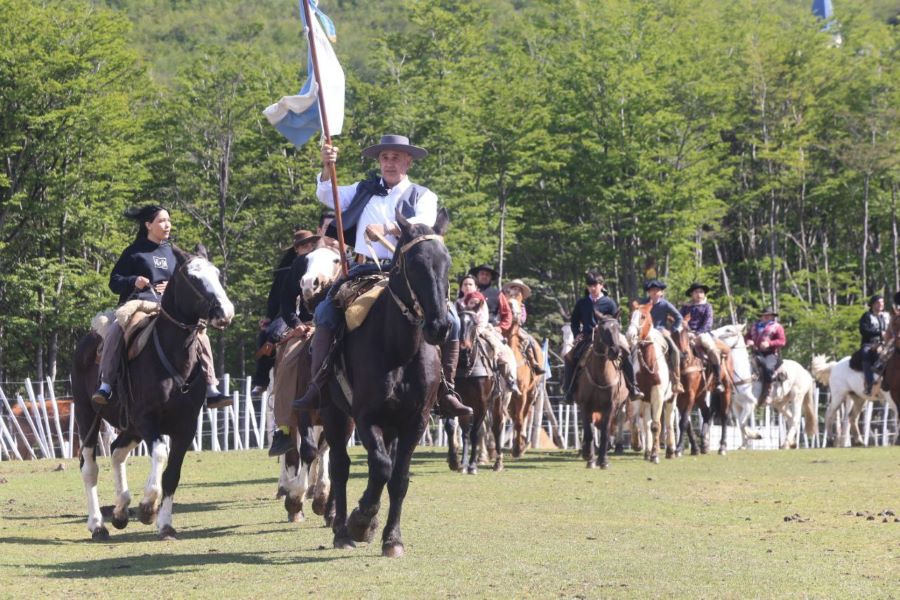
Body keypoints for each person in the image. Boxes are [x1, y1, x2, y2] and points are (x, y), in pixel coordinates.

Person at [291, 134, 471, 417]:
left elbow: (422, 224)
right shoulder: (364, 189)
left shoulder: (423, 195)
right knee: (325, 312)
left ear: (408, 162)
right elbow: (328, 195)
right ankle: (319, 384)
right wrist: (327, 166)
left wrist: (387, 228)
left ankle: (446, 390)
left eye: (396, 157)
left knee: (453, 321)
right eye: (385, 157)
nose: (389, 163)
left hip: (408, 273)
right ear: (379, 161)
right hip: (365, 270)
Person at [91, 205, 229, 408]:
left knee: (201, 334)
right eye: (162, 221)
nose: (167, 225)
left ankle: (211, 387)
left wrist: (172, 286)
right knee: (116, 329)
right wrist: (133, 280)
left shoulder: (175, 253)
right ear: (148, 225)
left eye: (169, 221)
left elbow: (188, 283)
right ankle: (106, 384)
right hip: (140, 304)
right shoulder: (133, 252)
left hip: (171, 308)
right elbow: (114, 281)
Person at [251, 228, 321, 395]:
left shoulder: (321, 265)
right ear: (296, 249)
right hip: (290, 312)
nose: (308, 247)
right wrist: (268, 317)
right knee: (271, 334)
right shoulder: (287, 271)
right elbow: (276, 297)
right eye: (304, 245)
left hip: (317, 313)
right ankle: (261, 380)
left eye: (311, 244)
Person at [563, 271, 643, 402]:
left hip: (609, 337)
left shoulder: (609, 302)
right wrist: (577, 334)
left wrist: (611, 332)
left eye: (595, 285)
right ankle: (569, 390)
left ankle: (633, 387)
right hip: (587, 337)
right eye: (590, 286)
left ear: (601, 285)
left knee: (626, 352)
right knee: (569, 356)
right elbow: (574, 321)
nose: (592, 288)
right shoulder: (582, 303)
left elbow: (617, 321)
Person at [457, 289, 520, 394]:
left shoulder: (487, 302)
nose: (473, 304)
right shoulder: (462, 308)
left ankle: (509, 376)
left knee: (499, 346)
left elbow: (484, 319)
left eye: (475, 302)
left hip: (484, 329)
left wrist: (501, 327)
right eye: (471, 302)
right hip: (466, 330)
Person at [680, 282, 725, 392]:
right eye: (696, 292)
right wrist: (685, 330)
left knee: (713, 351)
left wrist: (695, 333)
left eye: (701, 292)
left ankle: (718, 380)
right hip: (686, 334)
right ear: (691, 294)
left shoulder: (707, 306)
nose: (699, 294)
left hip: (702, 334)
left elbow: (708, 323)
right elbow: (679, 319)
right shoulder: (685, 307)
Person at [643, 279, 684, 394]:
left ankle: (677, 381)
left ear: (661, 292)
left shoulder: (665, 304)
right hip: (645, 333)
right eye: (652, 290)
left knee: (675, 351)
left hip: (660, 332)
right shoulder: (643, 303)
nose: (654, 292)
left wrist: (671, 330)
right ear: (649, 292)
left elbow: (679, 318)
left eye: (657, 290)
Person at [502, 278, 545, 375]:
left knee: (528, 339)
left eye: (518, 289)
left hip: (517, 327)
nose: (516, 291)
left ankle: (533, 361)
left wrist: (519, 320)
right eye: (514, 288)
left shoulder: (521, 305)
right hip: (504, 326)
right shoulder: (504, 302)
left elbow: (523, 317)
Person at [745, 307, 786, 406]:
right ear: (762, 316)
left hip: (770, 354)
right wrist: (748, 341)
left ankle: (768, 392)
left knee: (768, 368)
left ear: (772, 316)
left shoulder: (777, 327)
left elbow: (782, 341)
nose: (767, 317)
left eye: (769, 315)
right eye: (765, 315)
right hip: (755, 353)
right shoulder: (754, 326)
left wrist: (769, 343)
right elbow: (747, 337)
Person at [859, 295, 890, 395]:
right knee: (865, 353)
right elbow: (863, 330)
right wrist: (879, 333)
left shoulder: (886, 316)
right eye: (878, 302)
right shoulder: (867, 316)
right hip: (869, 344)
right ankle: (869, 384)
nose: (881, 304)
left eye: (882, 302)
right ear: (872, 304)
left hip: (886, 343)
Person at [468, 265, 512, 332]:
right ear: (477, 275)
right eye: (482, 274)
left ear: (491, 277)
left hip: (489, 328)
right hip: (467, 326)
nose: (484, 276)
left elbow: (507, 313)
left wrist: (501, 327)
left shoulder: (498, 294)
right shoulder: (469, 291)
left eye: (487, 275)